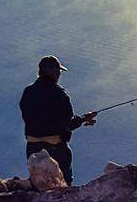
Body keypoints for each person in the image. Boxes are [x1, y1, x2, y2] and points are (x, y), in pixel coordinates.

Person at [19, 55, 97, 185]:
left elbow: (28, 116)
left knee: (40, 184)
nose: (60, 74)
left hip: (32, 147)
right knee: (63, 185)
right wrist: (83, 119)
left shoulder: (28, 92)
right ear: (50, 71)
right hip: (55, 148)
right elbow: (68, 124)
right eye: (58, 70)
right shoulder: (59, 93)